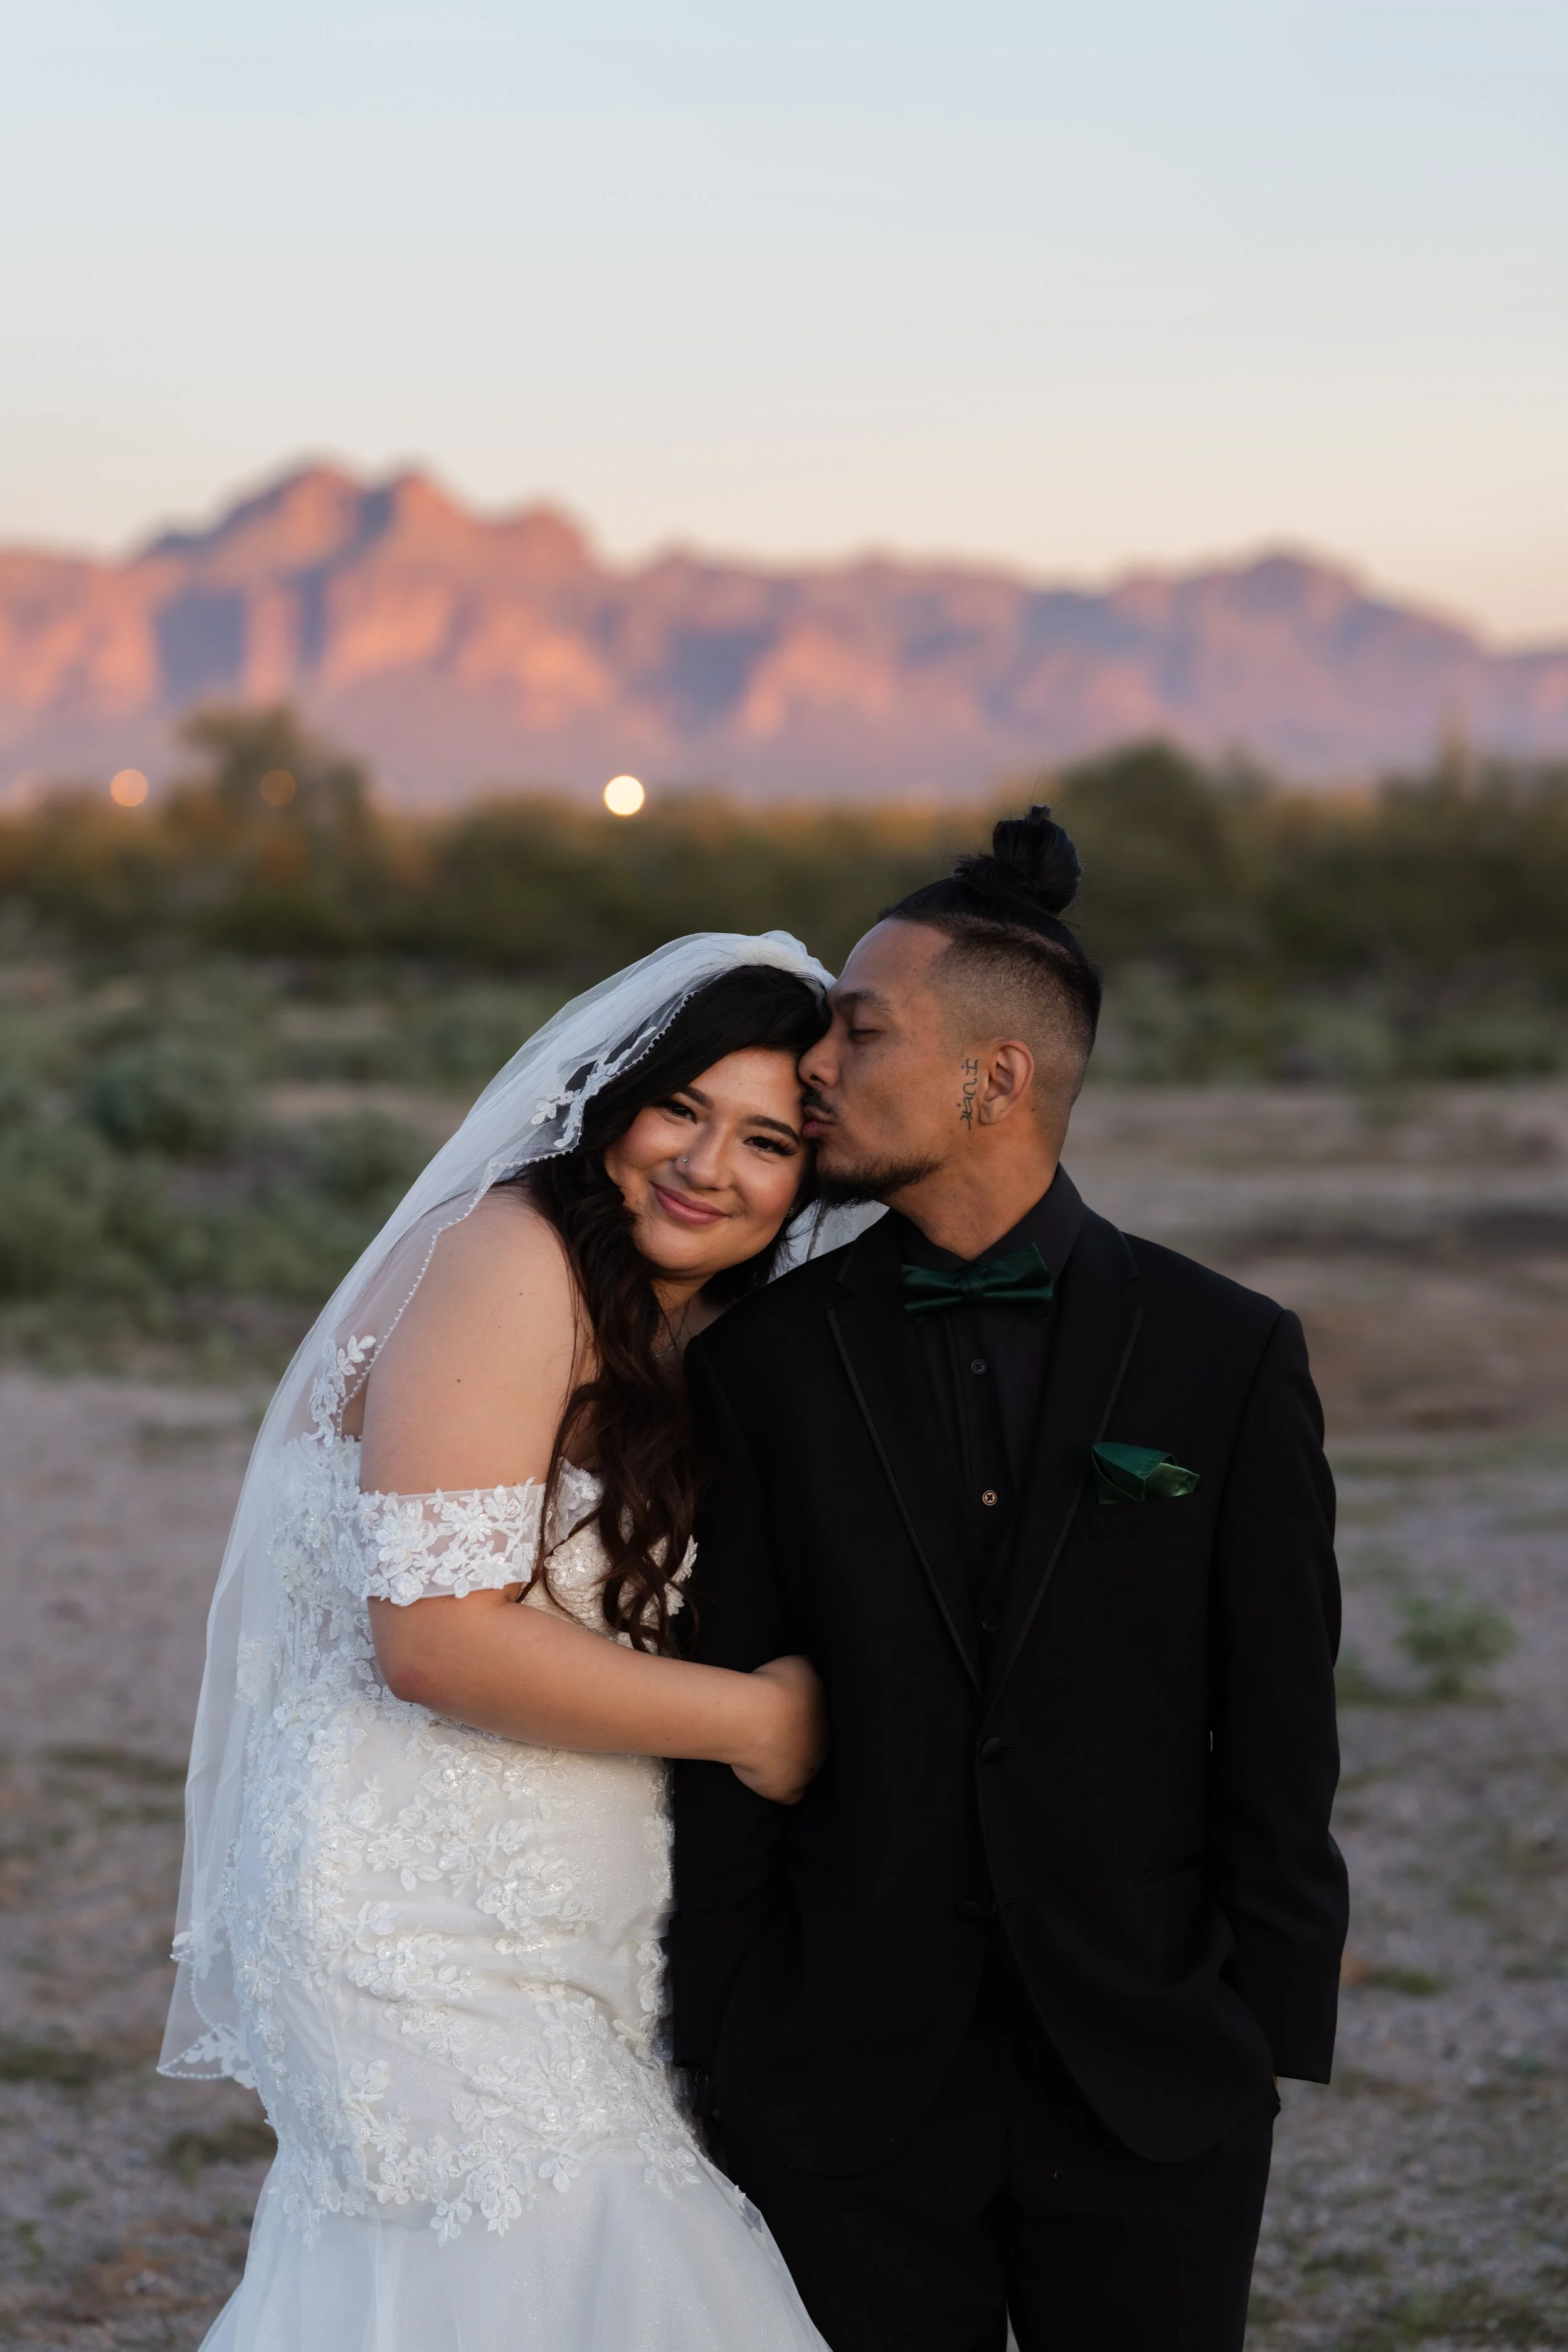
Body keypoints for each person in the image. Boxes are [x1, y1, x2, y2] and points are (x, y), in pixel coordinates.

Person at [669, 811, 1350, 2352]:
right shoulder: (767, 1361)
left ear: (995, 1078)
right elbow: (727, 1711)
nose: (812, 1067)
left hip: (1145, 2062)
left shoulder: (1224, 1353)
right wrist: (720, 2025)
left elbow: (1278, 1716)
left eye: (858, 1029)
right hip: (843, 2068)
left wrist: (1254, 2034)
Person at [160, 934, 845, 2352]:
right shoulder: (505, 1258)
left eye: (766, 1139)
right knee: (598, 2262)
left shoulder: (659, 1328)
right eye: (682, 1109)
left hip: (551, 1912)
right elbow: (435, 1643)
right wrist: (758, 1723)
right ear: (612, 1101)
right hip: (418, 1911)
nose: (707, 1165)